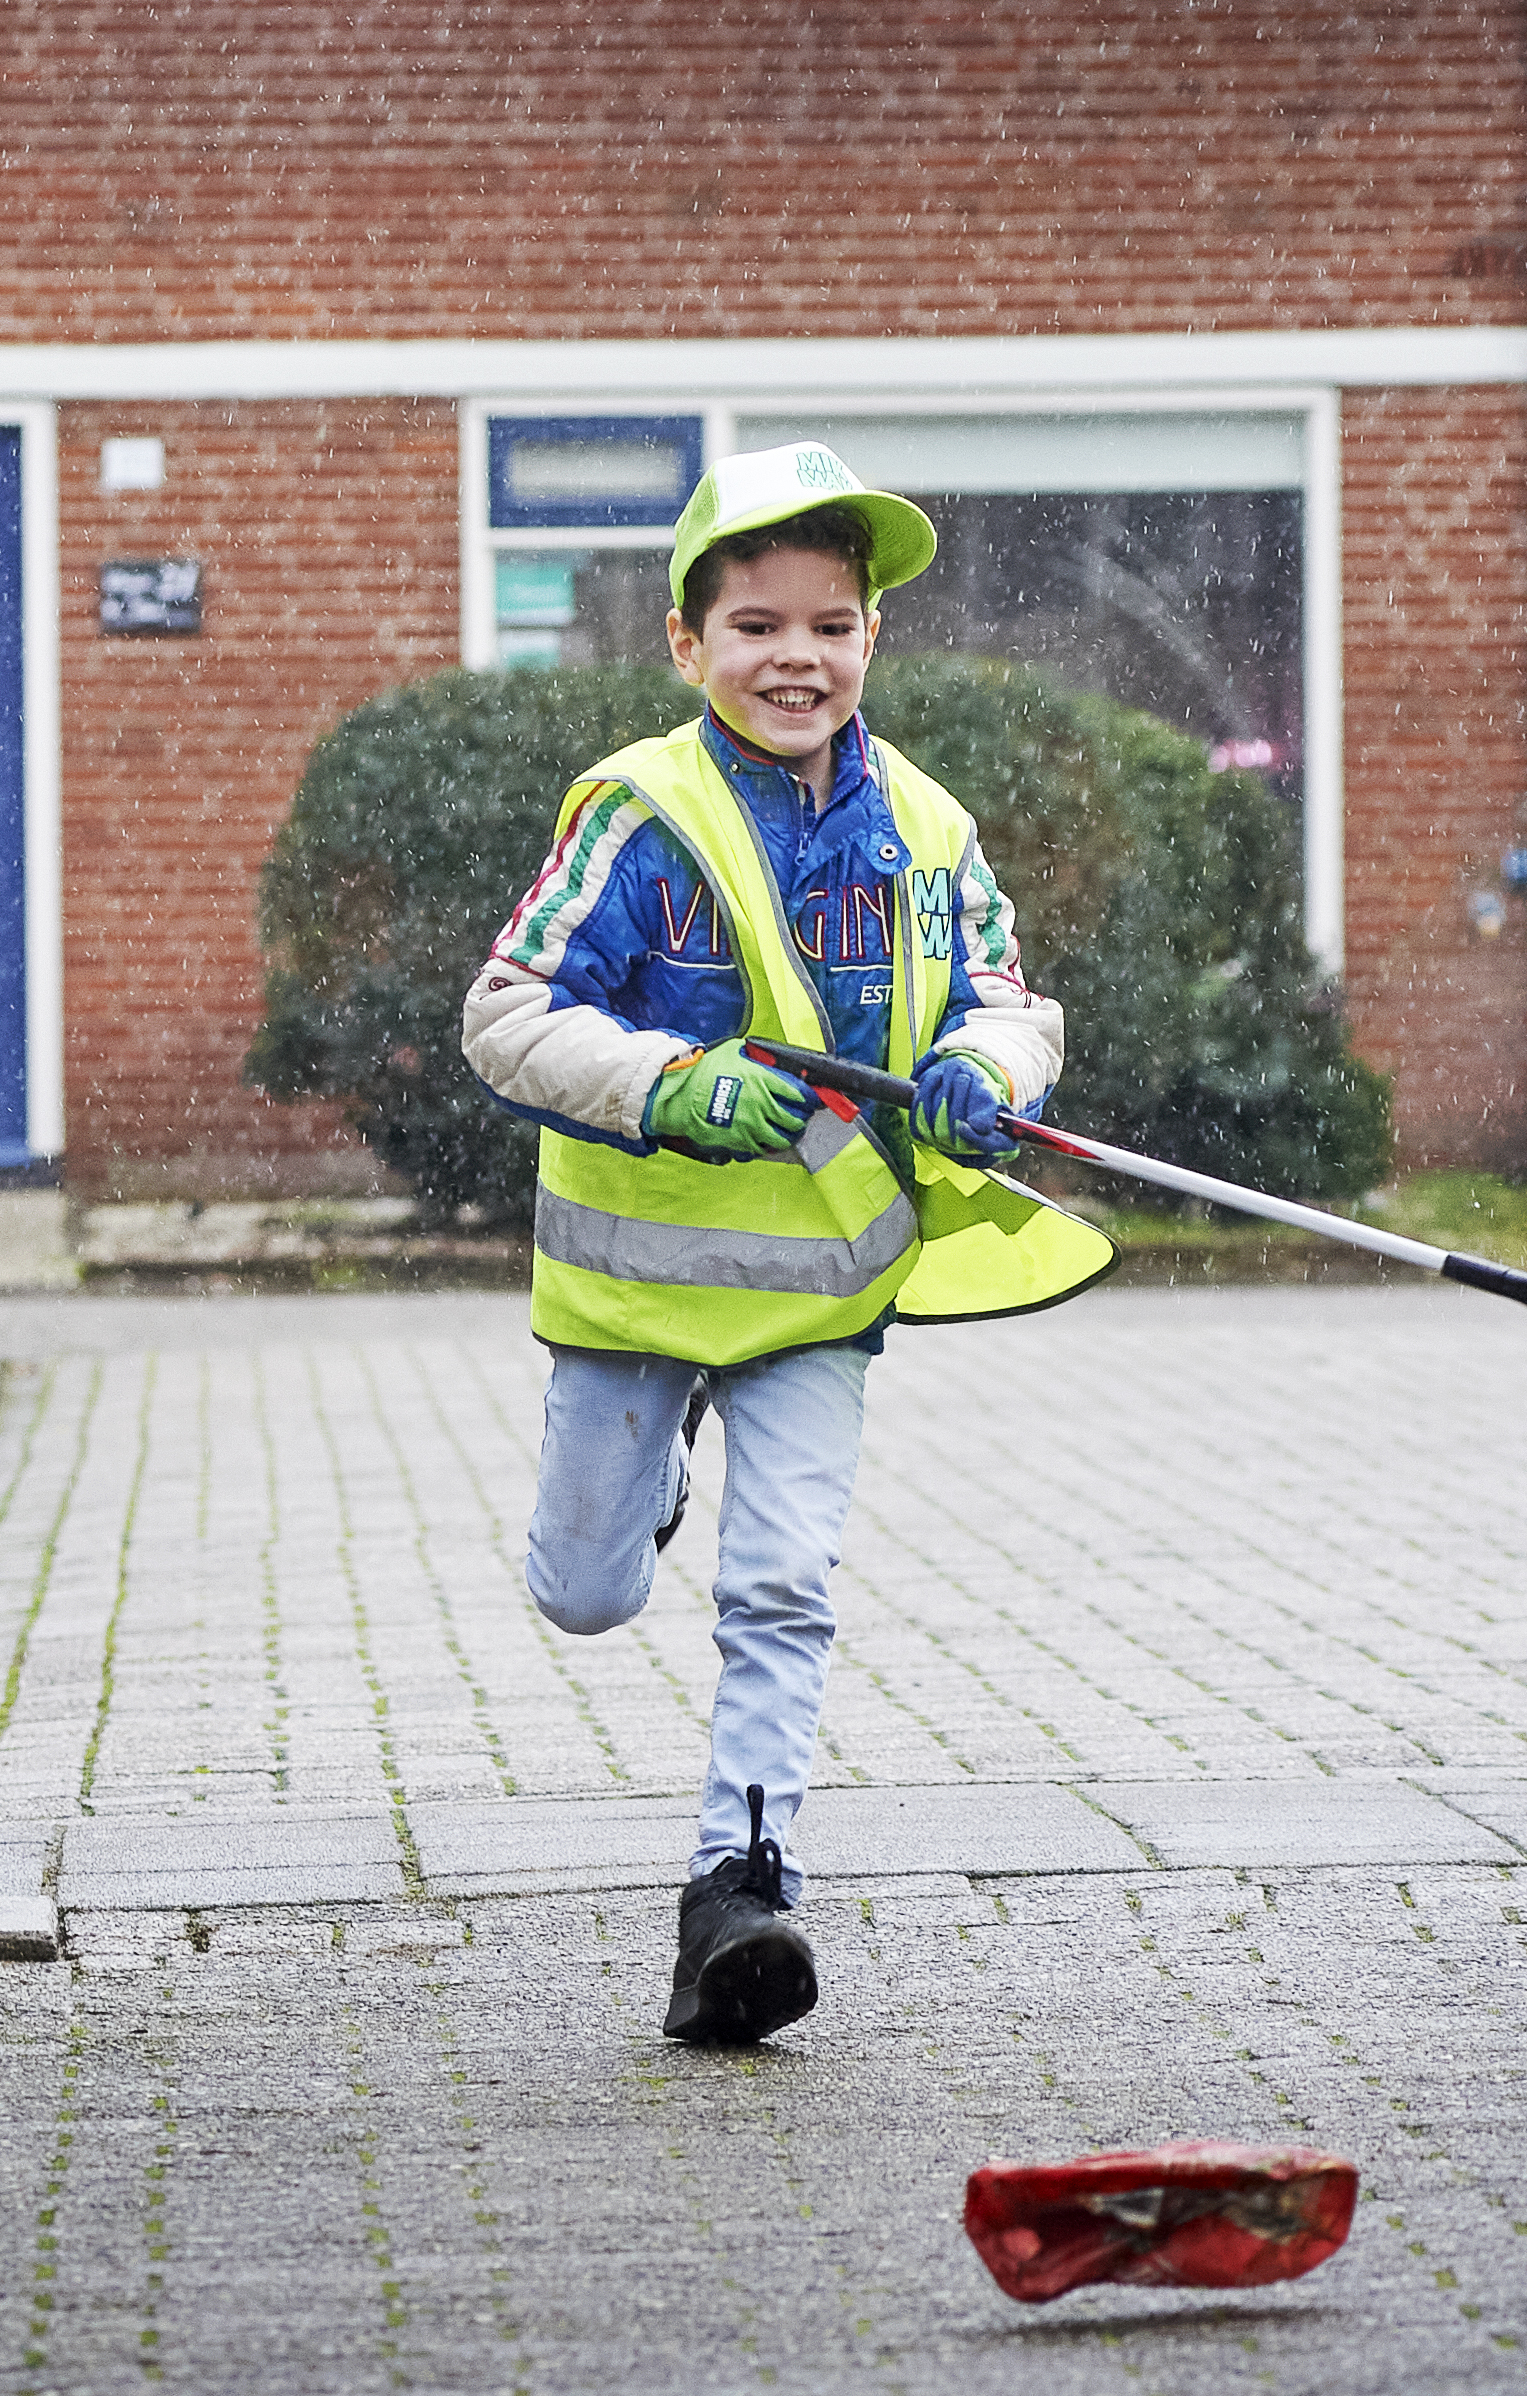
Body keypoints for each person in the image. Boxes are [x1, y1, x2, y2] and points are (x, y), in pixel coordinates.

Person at [460, 443, 1113, 2044]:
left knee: (786, 1585)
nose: (795, 657)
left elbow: (1010, 1003)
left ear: (873, 640)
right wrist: (673, 1084)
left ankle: (739, 1889)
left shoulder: (928, 824)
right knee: (590, 1592)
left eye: (830, 624)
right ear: (686, 646)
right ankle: (652, 1479)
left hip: (829, 1283)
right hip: (635, 1290)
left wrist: (989, 1072)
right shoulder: (639, 810)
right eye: (755, 625)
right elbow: (505, 1017)